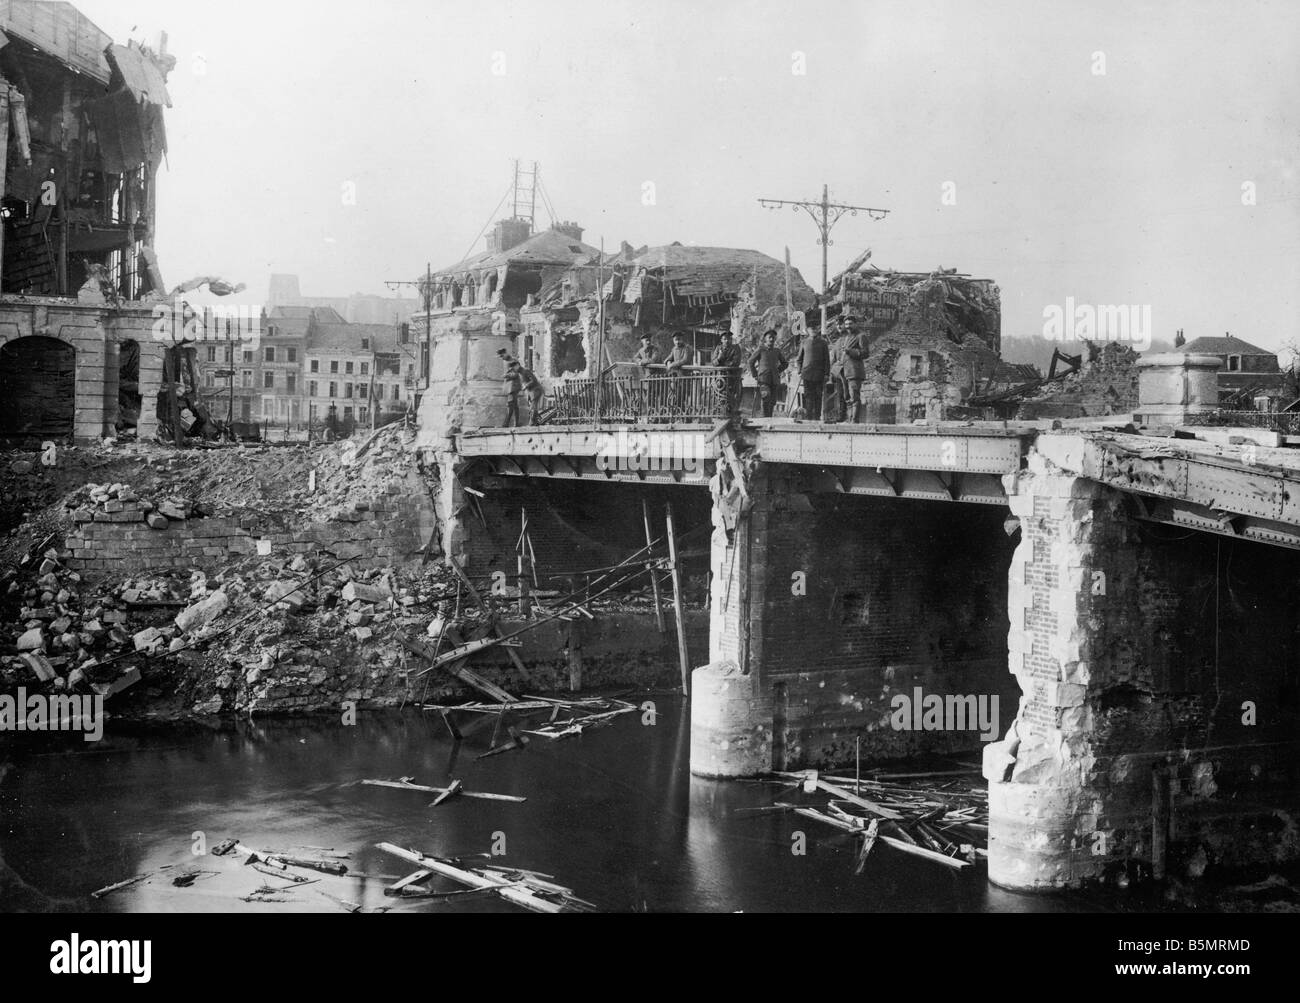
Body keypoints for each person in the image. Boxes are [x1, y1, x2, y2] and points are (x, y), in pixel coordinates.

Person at [748, 329, 788, 418]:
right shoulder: (760, 349)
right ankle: (765, 420)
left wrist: (778, 370)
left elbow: (785, 363)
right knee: (766, 398)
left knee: (773, 401)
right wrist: (755, 374)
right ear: (765, 339)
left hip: (774, 379)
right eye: (769, 337)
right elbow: (750, 361)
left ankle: (770, 419)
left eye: (773, 338)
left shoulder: (777, 351)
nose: (771, 339)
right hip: (763, 379)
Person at [795, 323, 830, 421]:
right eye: (811, 328)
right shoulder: (804, 342)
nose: (813, 330)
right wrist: (799, 371)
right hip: (807, 374)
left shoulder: (823, 343)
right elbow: (799, 359)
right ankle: (808, 418)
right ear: (807, 330)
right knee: (808, 396)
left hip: (819, 375)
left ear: (818, 329)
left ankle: (817, 418)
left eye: (815, 328)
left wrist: (827, 374)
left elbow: (826, 360)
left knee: (818, 396)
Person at [710, 329, 743, 415]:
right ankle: (721, 412)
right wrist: (719, 358)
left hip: (732, 377)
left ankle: (731, 413)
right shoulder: (718, 348)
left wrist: (723, 364)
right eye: (724, 339)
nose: (727, 341)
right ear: (721, 340)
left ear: (731, 339)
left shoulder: (736, 348)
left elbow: (736, 362)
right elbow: (713, 363)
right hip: (720, 377)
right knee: (719, 396)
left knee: (731, 396)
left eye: (729, 338)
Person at [508, 360, 546, 425]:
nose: (513, 369)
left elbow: (534, 380)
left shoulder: (525, 371)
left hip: (536, 390)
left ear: (517, 365)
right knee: (532, 408)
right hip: (531, 392)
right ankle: (534, 423)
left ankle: (531, 424)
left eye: (513, 367)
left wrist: (526, 386)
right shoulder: (520, 373)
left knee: (533, 408)